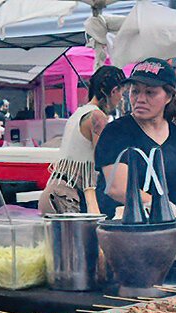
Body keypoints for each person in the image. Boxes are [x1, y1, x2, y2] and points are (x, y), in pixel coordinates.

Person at [94, 59, 176, 220]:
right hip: (123, 229)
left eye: (150, 92)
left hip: (168, 229)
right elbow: (117, 188)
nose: (140, 99)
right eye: (135, 91)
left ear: (169, 96)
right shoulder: (116, 132)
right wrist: (163, 206)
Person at [42, 66, 126, 214]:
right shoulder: (97, 117)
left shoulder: (79, 112)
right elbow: (104, 161)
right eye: (122, 93)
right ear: (114, 91)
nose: (121, 99)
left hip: (53, 192)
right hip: (67, 199)